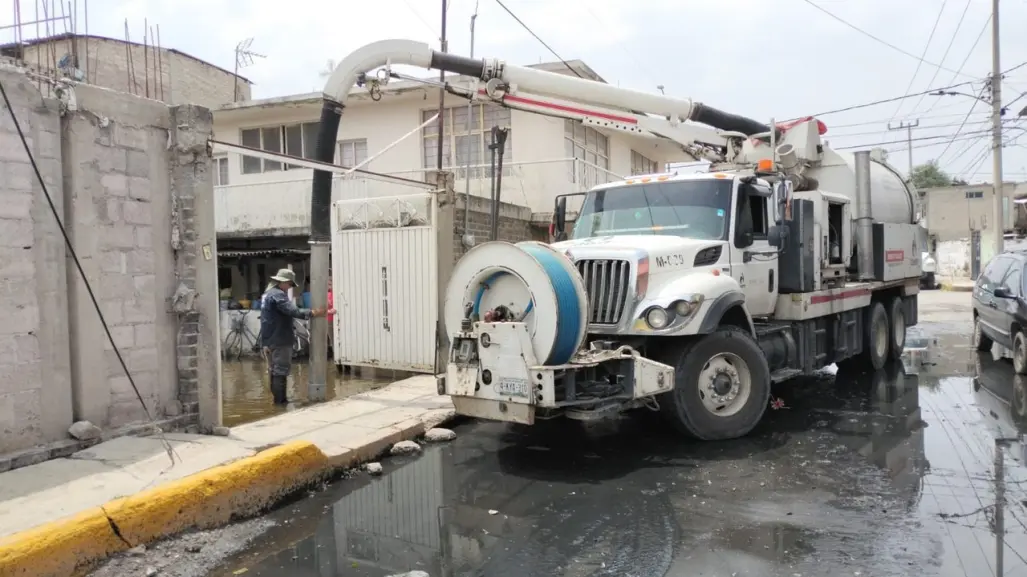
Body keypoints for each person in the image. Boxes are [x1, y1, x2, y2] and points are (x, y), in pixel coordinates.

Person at [260, 268, 334, 405]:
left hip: (269, 339)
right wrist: (312, 312)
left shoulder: (267, 294)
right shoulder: (278, 295)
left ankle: (277, 403)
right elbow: (292, 311)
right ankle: (280, 403)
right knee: (280, 371)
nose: (289, 288)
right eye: (290, 285)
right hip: (280, 338)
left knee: (274, 370)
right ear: (284, 282)